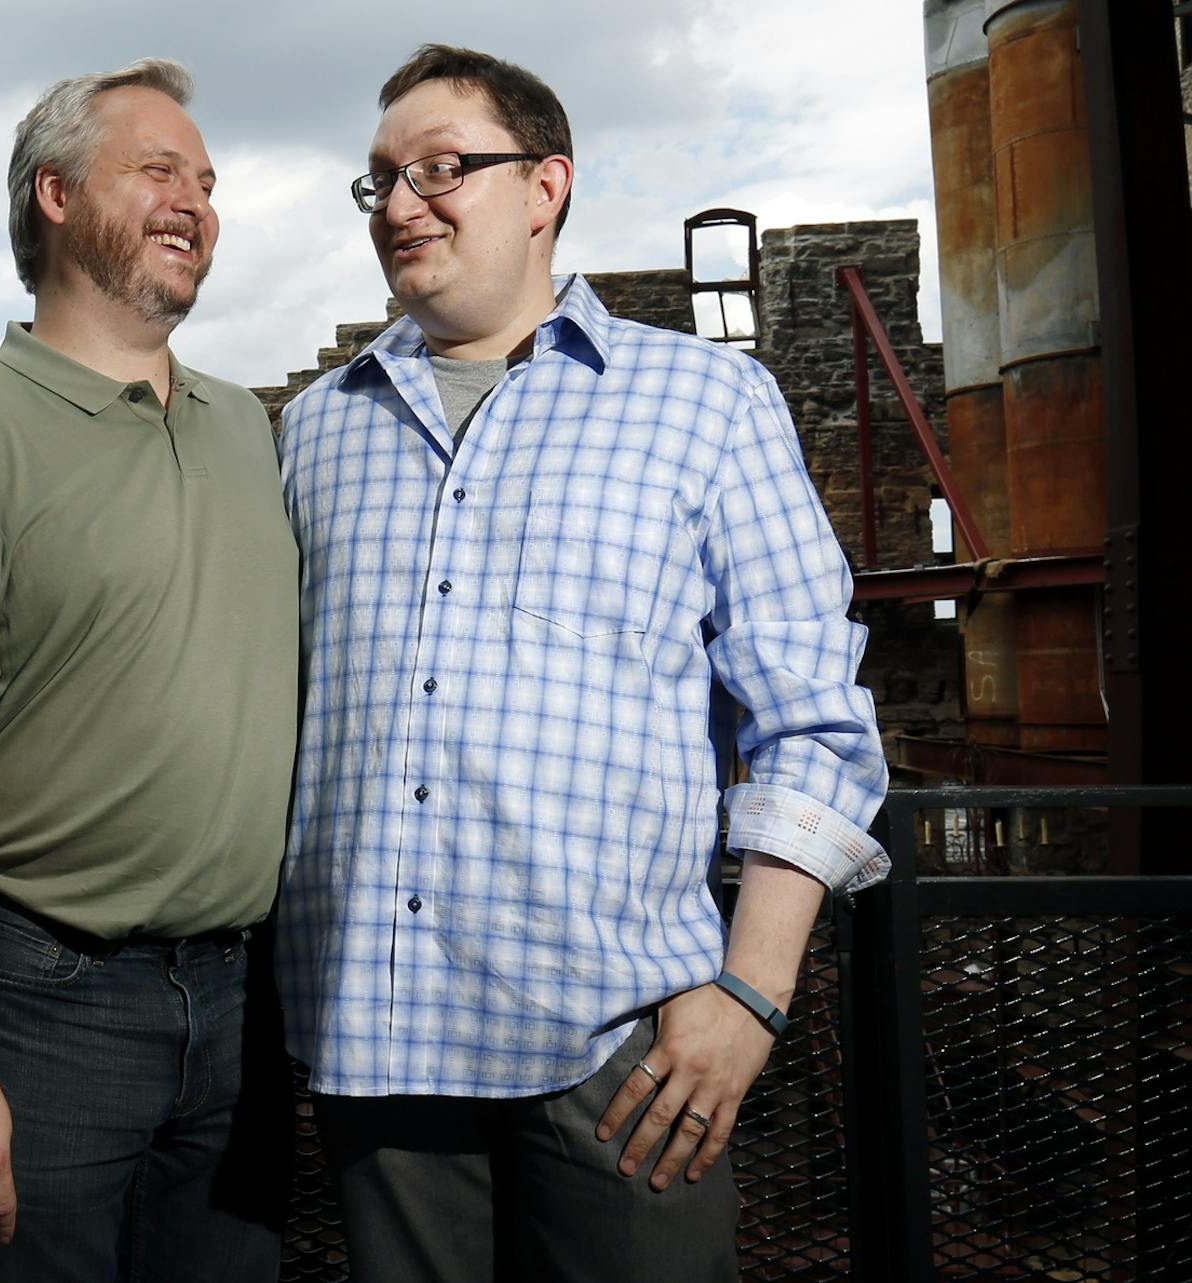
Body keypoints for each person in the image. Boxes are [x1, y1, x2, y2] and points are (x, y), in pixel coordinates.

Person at [274, 43, 890, 1282]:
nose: (400, 205)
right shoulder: (313, 429)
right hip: (373, 1052)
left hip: (621, 1059)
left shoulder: (706, 404)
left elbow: (815, 725)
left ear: (546, 186)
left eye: (441, 168)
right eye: (379, 180)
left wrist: (753, 994)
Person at [0, 57, 297, 1283]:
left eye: (207, 183)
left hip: (249, 999)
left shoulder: (250, 428)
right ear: (53, 194)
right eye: (158, 170)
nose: (196, 202)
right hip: (50, 1005)